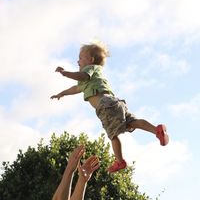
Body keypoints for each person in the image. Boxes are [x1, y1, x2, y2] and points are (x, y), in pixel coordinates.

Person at [51, 41, 169, 173]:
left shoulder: (90, 69)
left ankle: (120, 161)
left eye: (80, 58)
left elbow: (81, 76)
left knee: (113, 135)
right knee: (132, 122)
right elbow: (75, 88)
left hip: (105, 106)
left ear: (90, 60)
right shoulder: (89, 79)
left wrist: (66, 73)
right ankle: (156, 130)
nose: (77, 61)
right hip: (115, 103)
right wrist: (62, 93)